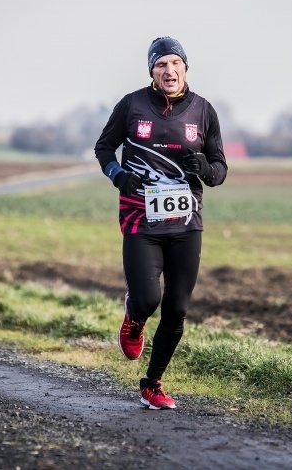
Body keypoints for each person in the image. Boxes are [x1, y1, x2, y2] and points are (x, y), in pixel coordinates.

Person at [94, 37, 228, 410]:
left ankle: (152, 384)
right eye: (160, 65)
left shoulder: (204, 111)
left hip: (186, 224)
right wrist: (118, 175)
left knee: (177, 309)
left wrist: (205, 168)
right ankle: (134, 316)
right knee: (149, 299)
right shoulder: (132, 105)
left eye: (175, 63)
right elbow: (103, 148)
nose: (168, 71)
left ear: (185, 67)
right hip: (141, 219)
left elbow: (220, 170)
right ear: (151, 72)